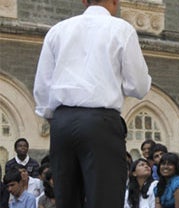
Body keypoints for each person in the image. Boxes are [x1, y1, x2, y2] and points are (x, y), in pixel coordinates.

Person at [32, 0, 152, 207]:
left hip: (62, 122)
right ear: (115, 2)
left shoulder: (58, 30)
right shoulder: (121, 29)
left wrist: (56, 119)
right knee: (104, 199)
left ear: (84, 1)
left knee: (67, 199)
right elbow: (139, 86)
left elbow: (42, 88)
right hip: (100, 121)